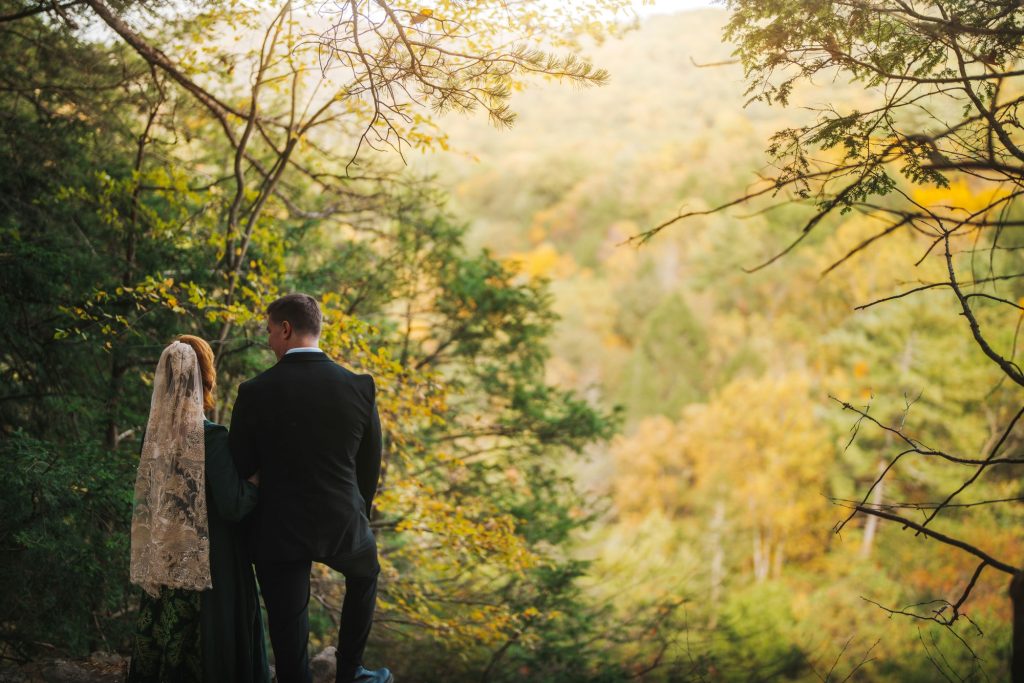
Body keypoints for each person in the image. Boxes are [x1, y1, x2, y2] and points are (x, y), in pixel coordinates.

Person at [229, 293, 390, 683]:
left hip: (278, 530)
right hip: (343, 523)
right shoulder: (359, 386)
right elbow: (370, 466)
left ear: (285, 329)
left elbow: (241, 466)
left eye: (269, 331)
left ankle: (293, 676)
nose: (268, 340)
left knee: (288, 627)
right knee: (366, 575)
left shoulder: (255, 392)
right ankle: (349, 671)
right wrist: (358, 517)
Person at [128, 336, 270, 683]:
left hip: (168, 563)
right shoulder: (212, 438)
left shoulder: (154, 442)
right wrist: (254, 483)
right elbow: (233, 506)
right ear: (206, 379)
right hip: (214, 565)